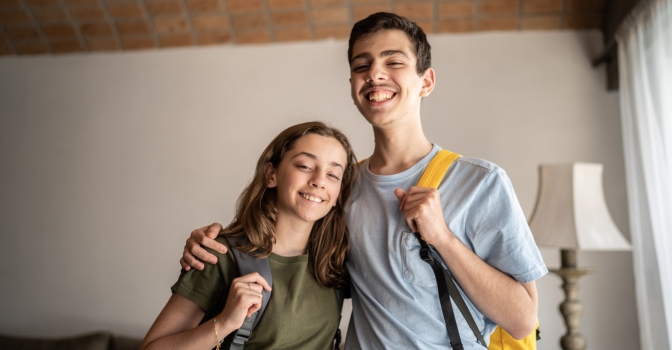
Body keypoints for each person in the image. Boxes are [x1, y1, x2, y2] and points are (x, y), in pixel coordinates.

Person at [179, 13, 548, 350]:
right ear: (354, 86)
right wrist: (213, 246)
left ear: (426, 81)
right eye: (362, 65)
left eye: (394, 61)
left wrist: (443, 239)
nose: (375, 73)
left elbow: (521, 319)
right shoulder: (338, 188)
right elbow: (288, 252)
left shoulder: (480, 182)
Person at [140, 122, 358, 350]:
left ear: (338, 194)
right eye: (305, 166)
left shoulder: (336, 262)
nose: (319, 181)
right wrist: (224, 323)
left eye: (333, 174)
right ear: (271, 174)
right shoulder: (220, 255)